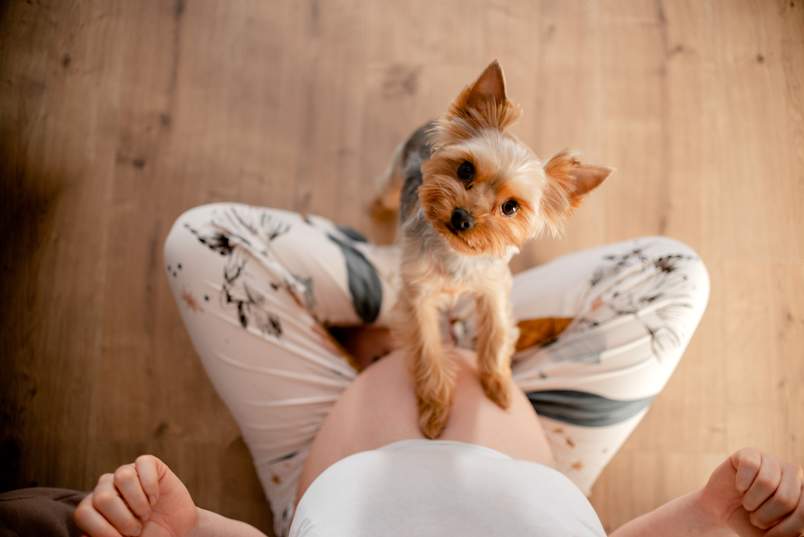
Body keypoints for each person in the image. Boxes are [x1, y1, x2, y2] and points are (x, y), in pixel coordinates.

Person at [70, 203, 803, 536]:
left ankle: (418, 289)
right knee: (675, 276)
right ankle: (463, 293)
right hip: (535, 435)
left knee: (201, 243)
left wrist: (191, 529)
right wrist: (712, 518)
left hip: (324, 438)